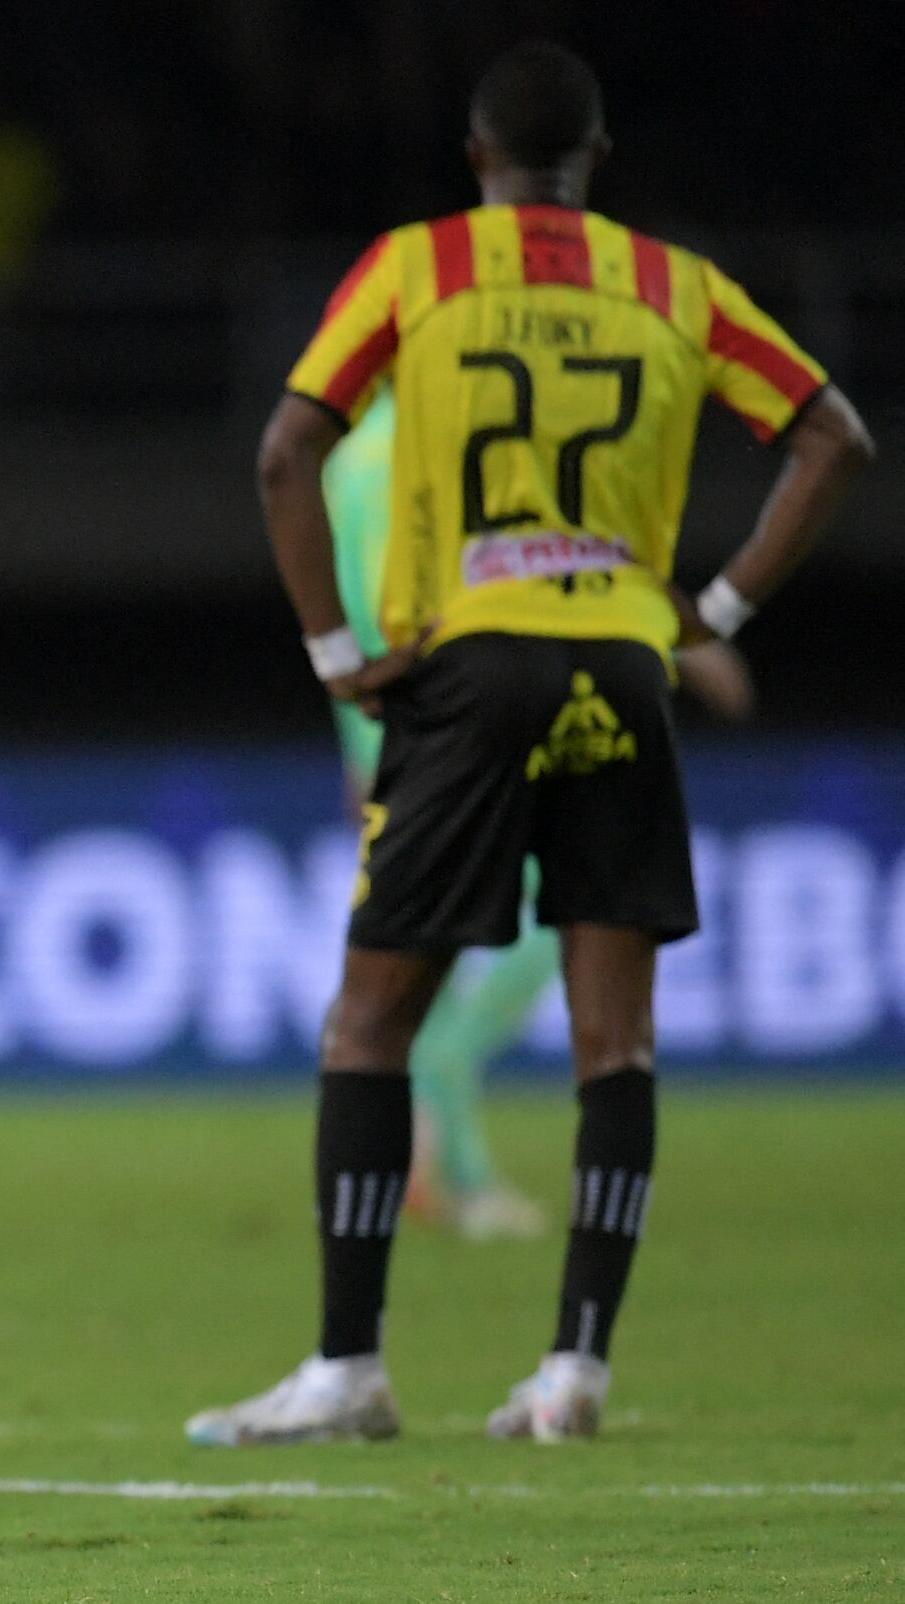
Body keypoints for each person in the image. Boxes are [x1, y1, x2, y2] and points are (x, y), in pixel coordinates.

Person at [188, 40, 871, 1447]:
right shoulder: (671, 286)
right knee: (612, 1041)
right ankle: (573, 1374)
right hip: (620, 664)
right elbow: (831, 440)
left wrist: (333, 654)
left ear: (475, 161)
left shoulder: (415, 268)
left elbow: (280, 455)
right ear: (597, 163)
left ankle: (346, 1369)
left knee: (368, 1019)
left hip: (467, 660)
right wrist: (717, 610)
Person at [322, 388, 755, 1241]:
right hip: (464, 719)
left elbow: (349, 607)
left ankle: (429, 1155)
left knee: (426, 942)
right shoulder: (444, 437)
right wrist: (690, 642)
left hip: (396, 725)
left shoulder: (345, 456)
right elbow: (519, 570)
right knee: (549, 915)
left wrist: (356, 745)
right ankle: (452, 1153)